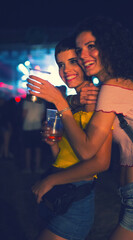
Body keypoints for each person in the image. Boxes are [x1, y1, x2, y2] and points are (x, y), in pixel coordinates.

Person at [28, 16, 133, 240]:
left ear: (109, 45)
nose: (84, 56)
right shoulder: (118, 86)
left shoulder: (112, 86)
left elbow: (92, 155)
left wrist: (61, 102)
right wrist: (66, 114)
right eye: (80, 50)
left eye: (91, 46)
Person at [31, 37, 112, 240]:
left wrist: (51, 179)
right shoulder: (73, 102)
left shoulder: (95, 99)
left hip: (76, 199)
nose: (66, 69)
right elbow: (69, 156)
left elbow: (97, 163)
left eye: (73, 61)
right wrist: (53, 144)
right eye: (61, 64)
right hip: (59, 194)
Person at [22, 98, 45, 173]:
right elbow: (42, 116)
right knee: (38, 148)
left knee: (27, 148)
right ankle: (37, 168)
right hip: (37, 127)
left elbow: (24, 114)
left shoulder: (26, 101)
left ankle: (28, 168)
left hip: (27, 127)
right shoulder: (41, 102)